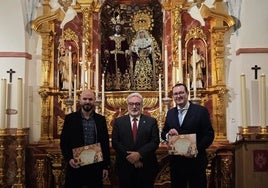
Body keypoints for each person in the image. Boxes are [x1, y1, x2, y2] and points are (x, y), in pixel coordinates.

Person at [161, 83, 214, 188]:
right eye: (175, 94)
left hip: (196, 162)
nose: (178, 96)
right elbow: (163, 133)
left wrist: (195, 149)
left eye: (181, 93)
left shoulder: (200, 111)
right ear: (173, 96)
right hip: (177, 163)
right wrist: (168, 134)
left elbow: (209, 134)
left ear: (187, 94)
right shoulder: (170, 113)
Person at [60, 89, 110, 188]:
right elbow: (64, 142)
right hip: (76, 165)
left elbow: (105, 144)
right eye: (85, 99)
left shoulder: (100, 120)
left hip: (95, 166)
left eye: (90, 99)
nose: (87, 101)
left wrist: (105, 166)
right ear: (80, 100)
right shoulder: (70, 119)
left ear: (94, 100)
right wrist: (69, 159)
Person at [112, 92, 160, 188]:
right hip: (125, 167)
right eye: (131, 104)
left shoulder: (151, 121)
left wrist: (139, 154)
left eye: (137, 104)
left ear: (142, 105)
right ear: (127, 105)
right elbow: (115, 142)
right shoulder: (118, 121)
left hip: (146, 166)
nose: (134, 107)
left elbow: (155, 141)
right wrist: (131, 157)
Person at [104, 24, 129, 90]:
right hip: (112, 57)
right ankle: (112, 84)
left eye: (119, 28)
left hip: (121, 57)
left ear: (121, 29)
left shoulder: (124, 38)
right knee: (112, 70)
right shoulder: (110, 38)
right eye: (117, 27)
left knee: (122, 70)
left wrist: (126, 51)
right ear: (114, 29)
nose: (118, 29)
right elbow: (107, 46)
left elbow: (126, 47)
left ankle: (122, 84)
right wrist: (106, 51)